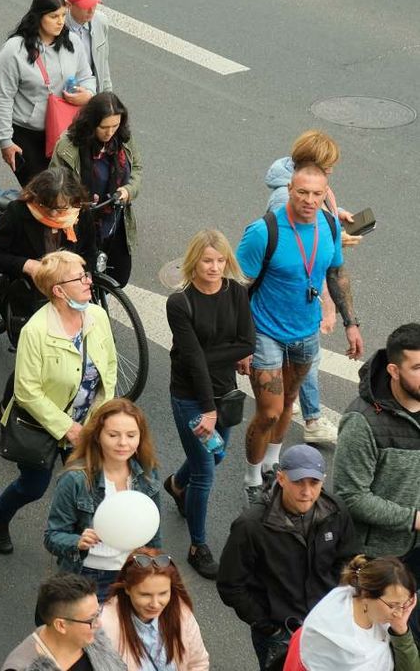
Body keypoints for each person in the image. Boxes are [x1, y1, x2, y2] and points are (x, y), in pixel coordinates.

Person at [237, 163, 363, 504]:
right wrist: (242, 344)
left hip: (306, 332)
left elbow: (336, 274)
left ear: (326, 195)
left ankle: (272, 463)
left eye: (317, 194)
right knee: (270, 411)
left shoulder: (330, 225)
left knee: (289, 402)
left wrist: (351, 323)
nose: (309, 200)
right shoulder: (264, 231)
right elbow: (237, 289)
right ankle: (251, 477)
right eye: (302, 192)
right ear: (289, 190)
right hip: (264, 330)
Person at [0, 250, 116, 556]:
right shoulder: (36, 331)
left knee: (84, 486)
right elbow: (27, 390)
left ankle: (76, 547)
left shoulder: (96, 315)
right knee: (34, 486)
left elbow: (108, 368)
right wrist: (67, 428)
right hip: (43, 426)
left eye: (86, 274)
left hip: (86, 424)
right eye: (79, 277)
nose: (88, 281)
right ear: (58, 291)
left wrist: (97, 417)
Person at [163, 229, 255, 580]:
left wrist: (204, 355)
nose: (214, 268)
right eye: (207, 261)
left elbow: (247, 341)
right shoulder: (180, 303)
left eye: (220, 261)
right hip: (191, 396)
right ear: (193, 262)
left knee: (215, 454)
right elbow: (193, 365)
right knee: (205, 471)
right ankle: (197, 546)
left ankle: (175, 484)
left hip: (224, 391)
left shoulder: (236, 293)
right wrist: (208, 408)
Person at [218, 444, 360, 670]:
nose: (307, 492)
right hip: (278, 633)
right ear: (281, 478)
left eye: (314, 483)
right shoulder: (251, 525)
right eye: (298, 482)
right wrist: (267, 625)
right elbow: (230, 584)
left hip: (326, 624)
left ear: (323, 480)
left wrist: (338, 604)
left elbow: (348, 559)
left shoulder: (337, 511)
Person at [264, 129, 362, 445]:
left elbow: (319, 214)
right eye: (327, 166)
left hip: (305, 291)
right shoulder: (283, 197)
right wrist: (338, 242)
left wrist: (338, 216)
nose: (331, 171)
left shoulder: (311, 187)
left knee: (306, 359)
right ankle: (311, 420)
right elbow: (295, 245)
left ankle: (305, 415)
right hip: (290, 296)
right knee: (304, 361)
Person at [334, 324, 420, 636]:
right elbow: (351, 496)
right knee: (375, 636)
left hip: (417, 552)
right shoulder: (363, 422)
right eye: (418, 367)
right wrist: (414, 519)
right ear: (394, 370)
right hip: (379, 558)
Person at [44, 398, 161, 599]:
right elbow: (52, 536)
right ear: (98, 436)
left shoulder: (148, 475)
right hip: (83, 575)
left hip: (129, 577)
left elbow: (153, 533)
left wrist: (153, 569)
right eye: (113, 435)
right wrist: (77, 541)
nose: (123, 443)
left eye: (131, 435)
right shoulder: (75, 480)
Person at [0, 0, 95, 185]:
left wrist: (88, 94)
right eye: (53, 16)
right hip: (26, 135)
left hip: (63, 131)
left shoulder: (72, 42)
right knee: (40, 195)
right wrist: (5, 141)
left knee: (68, 193)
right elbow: (3, 97)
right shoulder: (14, 50)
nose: (60, 22)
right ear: (39, 17)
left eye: (63, 15)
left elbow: (87, 77)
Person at [0, 167, 96, 333]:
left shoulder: (80, 214)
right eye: (46, 206)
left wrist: (84, 277)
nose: (52, 214)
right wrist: (27, 265)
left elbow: (89, 251)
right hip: (30, 296)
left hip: (69, 294)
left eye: (60, 208)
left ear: (74, 201)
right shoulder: (19, 212)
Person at [48, 91, 141, 286]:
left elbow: (137, 169)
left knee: (119, 277)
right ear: (91, 123)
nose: (110, 133)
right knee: (80, 280)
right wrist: (75, 201)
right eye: (104, 127)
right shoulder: (68, 145)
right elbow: (54, 182)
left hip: (114, 220)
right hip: (80, 223)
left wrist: (128, 190)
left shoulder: (123, 139)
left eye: (115, 126)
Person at [297, 555, 420, 671]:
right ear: (366, 594)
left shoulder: (380, 613)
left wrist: (401, 630)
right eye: (393, 605)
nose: (399, 614)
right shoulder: (336, 636)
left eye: (404, 605)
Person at [99, 549, 211, 671]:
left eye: (163, 593)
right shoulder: (104, 626)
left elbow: (198, 663)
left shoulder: (181, 612)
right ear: (127, 589)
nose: (155, 604)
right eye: (145, 595)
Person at [2, 572, 128, 671]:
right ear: (61, 625)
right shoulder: (21, 667)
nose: (99, 624)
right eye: (91, 619)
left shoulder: (93, 639)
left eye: (98, 613)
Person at [64, 0, 112, 93]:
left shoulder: (101, 22)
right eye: (85, 6)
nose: (91, 10)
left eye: (94, 4)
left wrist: (108, 95)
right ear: (69, 5)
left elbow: (104, 64)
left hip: (92, 94)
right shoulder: (58, 27)